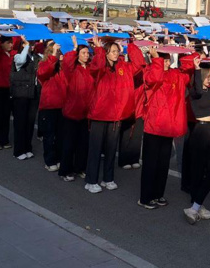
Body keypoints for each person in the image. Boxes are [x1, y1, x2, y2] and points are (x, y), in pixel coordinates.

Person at [84, 39, 140, 193]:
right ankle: (90, 180)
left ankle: (108, 178)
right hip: (99, 115)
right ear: (106, 53)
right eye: (113, 51)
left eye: (117, 51)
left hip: (115, 116)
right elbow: (96, 67)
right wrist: (99, 49)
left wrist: (131, 45)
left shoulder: (122, 67)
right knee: (95, 150)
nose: (116, 54)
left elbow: (138, 65)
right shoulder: (100, 68)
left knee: (110, 149)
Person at [137, 46, 190, 209]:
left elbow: (187, 74)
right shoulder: (149, 72)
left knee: (162, 165)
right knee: (150, 164)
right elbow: (155, 79)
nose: (166, 62)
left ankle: (158, 194)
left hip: (168, 127)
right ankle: (145, 198)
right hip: (153, 127)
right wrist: (156, 61)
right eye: (164, 59)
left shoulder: (175, 74)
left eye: (168, 59)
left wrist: (186, 55)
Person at [183, 54, 210, 224]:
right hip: (200, 131)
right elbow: (199, 90)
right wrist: (196, 68)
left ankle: (195, 206)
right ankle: (196, 205)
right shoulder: (195, 91)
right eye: (207, 76)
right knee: (198, 171)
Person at [59, 43, 93, 181]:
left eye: (87, 53)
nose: (86, 55)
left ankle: (80, 167)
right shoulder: (72, 69)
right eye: (83, 53)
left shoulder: (90, 68)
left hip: (86, 112)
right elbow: (66, 63)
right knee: (69, 143)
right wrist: (73, 49)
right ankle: (65, 170)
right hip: (72, 111)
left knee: (83, 143)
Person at [37, 43, 66, 171]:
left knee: (60, 135)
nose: (60, 54)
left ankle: (59, 158)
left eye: (60, 52)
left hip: (63, 106)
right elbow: (43, 73)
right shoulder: (44, 65)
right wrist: (53, 55)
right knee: (49, 135)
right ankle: (49, 161)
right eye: (57, 52)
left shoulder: (63, 68)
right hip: (49, 106)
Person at [10, 37, 41, 160]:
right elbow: (22, 60)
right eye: (28, 44)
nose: (31, 46)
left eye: (33, 44)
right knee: (20, 123)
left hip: (33, 93)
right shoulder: (17, 57)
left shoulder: (36, 57)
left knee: (29, 123)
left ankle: (28, 147)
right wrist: (26, 45)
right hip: (21, 94)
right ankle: (18, 150)